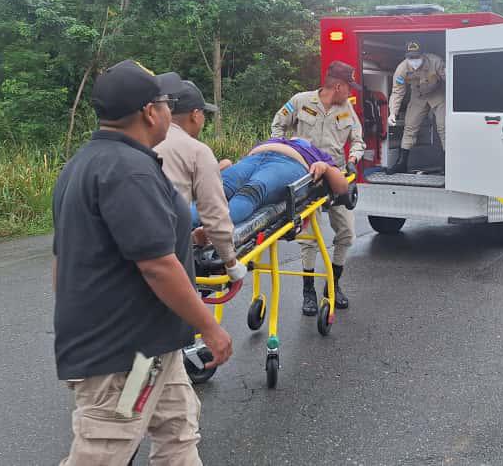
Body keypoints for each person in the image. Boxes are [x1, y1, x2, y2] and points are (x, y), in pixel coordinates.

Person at [52, 59, 232, 465]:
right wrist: (210, 327)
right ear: (151, 112)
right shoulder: (129, 171)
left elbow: (67, 259)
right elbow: (156, 265)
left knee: (179, 430)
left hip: (153, 349)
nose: (171, 112)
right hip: (128, 357)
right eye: (167, 104)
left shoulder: (83, 163)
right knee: (104, 451)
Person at [271, 60, 364, 315]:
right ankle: (308, 292)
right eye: (349, 87)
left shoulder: (346, 109)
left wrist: (354, 160)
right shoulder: (301, 101)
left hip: (335, 175)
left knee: (346, 232)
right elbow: (277, 124)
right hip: (306, 178)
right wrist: (286, 151)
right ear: (337, 86)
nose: (351, 92)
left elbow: (358, 140)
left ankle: (333, 286)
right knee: (310, 238)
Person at [154, 75, 247, 282]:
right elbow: (214, 215)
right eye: (204, 114)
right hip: (167, 256)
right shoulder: (197, 151)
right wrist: (231, 263)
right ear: (195, 115)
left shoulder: (145, 139)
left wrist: (192, 238)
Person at [216, 137, 348, 224]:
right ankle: (196, 228)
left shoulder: (316, 152)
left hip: (290, 163)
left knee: (251, 191)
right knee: (217, 191)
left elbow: (342, 187)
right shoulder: (273, 140)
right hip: (253, 158)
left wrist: (325, 167)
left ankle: (214, 228)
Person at [387, 41, 446, 174]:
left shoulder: (435, 62)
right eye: (410, 57)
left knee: (443, 127)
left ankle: (446, 163)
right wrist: (393, 113)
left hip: (438, 94)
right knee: (410, 126)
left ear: (423, 55)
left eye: (417, 57)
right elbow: (397, 91)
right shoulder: (402, 69)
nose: (414, 61)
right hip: (418, 95)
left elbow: (450, 80)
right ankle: (402, 163)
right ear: (406, 57)